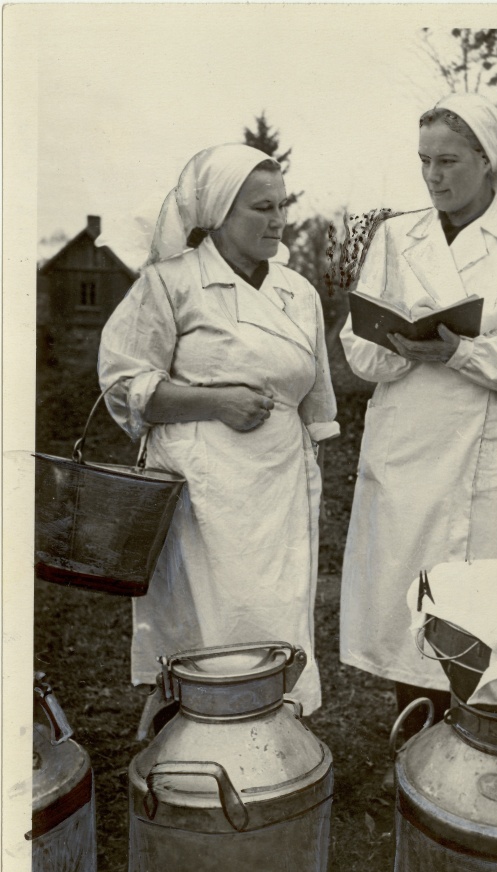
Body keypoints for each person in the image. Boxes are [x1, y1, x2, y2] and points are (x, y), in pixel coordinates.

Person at [339, 93, 497, 737]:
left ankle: (477, 746)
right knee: (407, 592)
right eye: (424, 162)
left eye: (448, 160)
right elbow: (355, 344)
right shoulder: (396, 235)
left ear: (486, 160)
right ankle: (414, 737)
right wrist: (400, 347)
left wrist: (462, 351)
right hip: (408, 441)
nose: (433, 176)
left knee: (483, 600)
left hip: (489, 450)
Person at [98, 144, 339, 715]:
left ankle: (273, 731)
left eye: (281, 206)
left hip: (278, 483)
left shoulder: (297, 293)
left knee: (275, 609)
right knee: (205, 617)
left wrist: (313, 473)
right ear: (219, 211)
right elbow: (122, 384)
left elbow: (316, 398)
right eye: (261, 207)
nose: (277, 220)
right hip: (199, 484)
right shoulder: (170, 283)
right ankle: (189, 730)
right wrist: (218, 402)